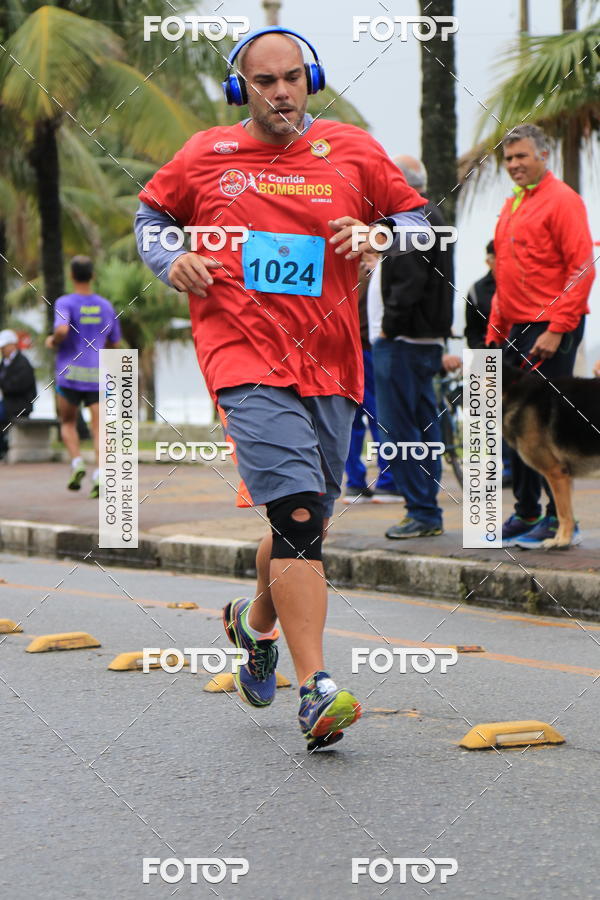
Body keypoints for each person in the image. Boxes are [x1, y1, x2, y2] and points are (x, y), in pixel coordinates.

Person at [135, 27, 431, 749]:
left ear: (312, 79)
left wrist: (381, 237)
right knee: (298, 515)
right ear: (242, 88)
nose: (280, 91)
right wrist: (169, 258)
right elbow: (150, 218)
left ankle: (253, 624)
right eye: (263, 81)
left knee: (305, 523)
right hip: (241, 355)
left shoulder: (353, 149)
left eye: (292, 77)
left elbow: (420, 223)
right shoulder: (207, 153)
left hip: (332, 362)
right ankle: (317, 689)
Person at [486, 124, 596, 548]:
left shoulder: (563, 200)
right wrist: (496, 329)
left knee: (548, 430)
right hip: (516, 326)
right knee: (513, 429)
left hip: (553, 327)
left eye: (522, 157)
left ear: (543, 156)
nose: (514, 165)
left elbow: (583, 267)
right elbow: (505, 274)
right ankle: (526, 511)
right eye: (509, 159)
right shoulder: (513, 204)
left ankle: (558, 520)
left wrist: (557, 327)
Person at [369, 156, 454, 539]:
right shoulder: (430, 215)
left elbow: (408, 281)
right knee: (423, 428)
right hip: (420, 342)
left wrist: (388, 327)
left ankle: (421, 511)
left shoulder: (411, 218)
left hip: (401, 344)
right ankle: (426, 510)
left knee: (399, 431)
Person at [45, 256, 121, 497]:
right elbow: (114, 341)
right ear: (92, 276)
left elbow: (61, 329)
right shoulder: (105, 306)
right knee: (100, 429)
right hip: (98, 375)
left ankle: (77, 463)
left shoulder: (65, 302)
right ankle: (99, 474)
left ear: (71, 276)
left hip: (70, 374)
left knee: (67, 422)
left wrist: (53, 341)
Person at [342, 251, 402, 504]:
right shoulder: (373, 269)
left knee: (349, 419)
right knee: (382, 415)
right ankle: (388, 482)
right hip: (368, 348)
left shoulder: (339, 270)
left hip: (342, 350)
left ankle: (354, 483)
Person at [0, 329, 37, 459]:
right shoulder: (4, 363)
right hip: (7, 403)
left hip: (21, 405)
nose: (2, 350)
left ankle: (3, 450)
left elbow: (18, 386)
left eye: (4, 347)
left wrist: (4, 385)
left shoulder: (23, 363)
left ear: (12, 345)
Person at [465, 241, 495, 350]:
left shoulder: (525, 285)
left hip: (520, 353)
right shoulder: (476, 290)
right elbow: (472, 332)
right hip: (487, 353)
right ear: (488, 261)